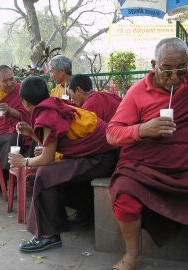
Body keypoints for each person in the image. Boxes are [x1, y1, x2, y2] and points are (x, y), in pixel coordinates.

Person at [106, 37, 188, 270]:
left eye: (181, 70)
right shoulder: (137, 92)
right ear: (153, 64)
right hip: (145, 168)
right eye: (166, 70)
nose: (174, 78)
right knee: (124, 192)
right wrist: (143, 129)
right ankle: (132, 254)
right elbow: (112, 133)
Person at [8, 76, 119, 253]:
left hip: (102, 157)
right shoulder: (53, 103)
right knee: (51, 174)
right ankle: (57, 225)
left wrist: (23, 161)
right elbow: (54, 141)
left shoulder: (46, 114)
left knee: (45, 174)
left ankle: (48, 236)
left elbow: (47, 158)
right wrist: (31, 132)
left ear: (25, 102)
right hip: (102, 153)